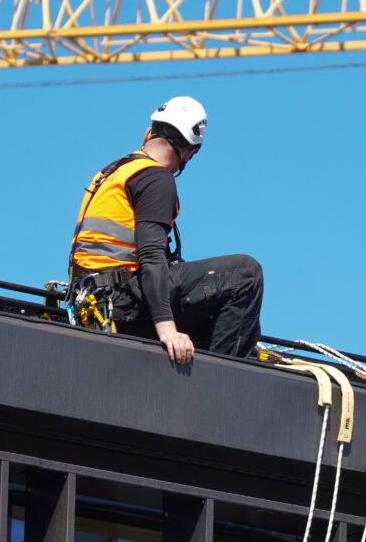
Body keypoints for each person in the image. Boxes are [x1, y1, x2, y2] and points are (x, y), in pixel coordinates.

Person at [68, 96, 264, 365]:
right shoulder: (155, 178)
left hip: (92, 300)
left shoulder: (115, 172)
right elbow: (151, 256)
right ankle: (223, 382)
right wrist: (167, 329)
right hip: (123, 301)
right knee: (245, 274)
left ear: (149, 132)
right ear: (189, 153)